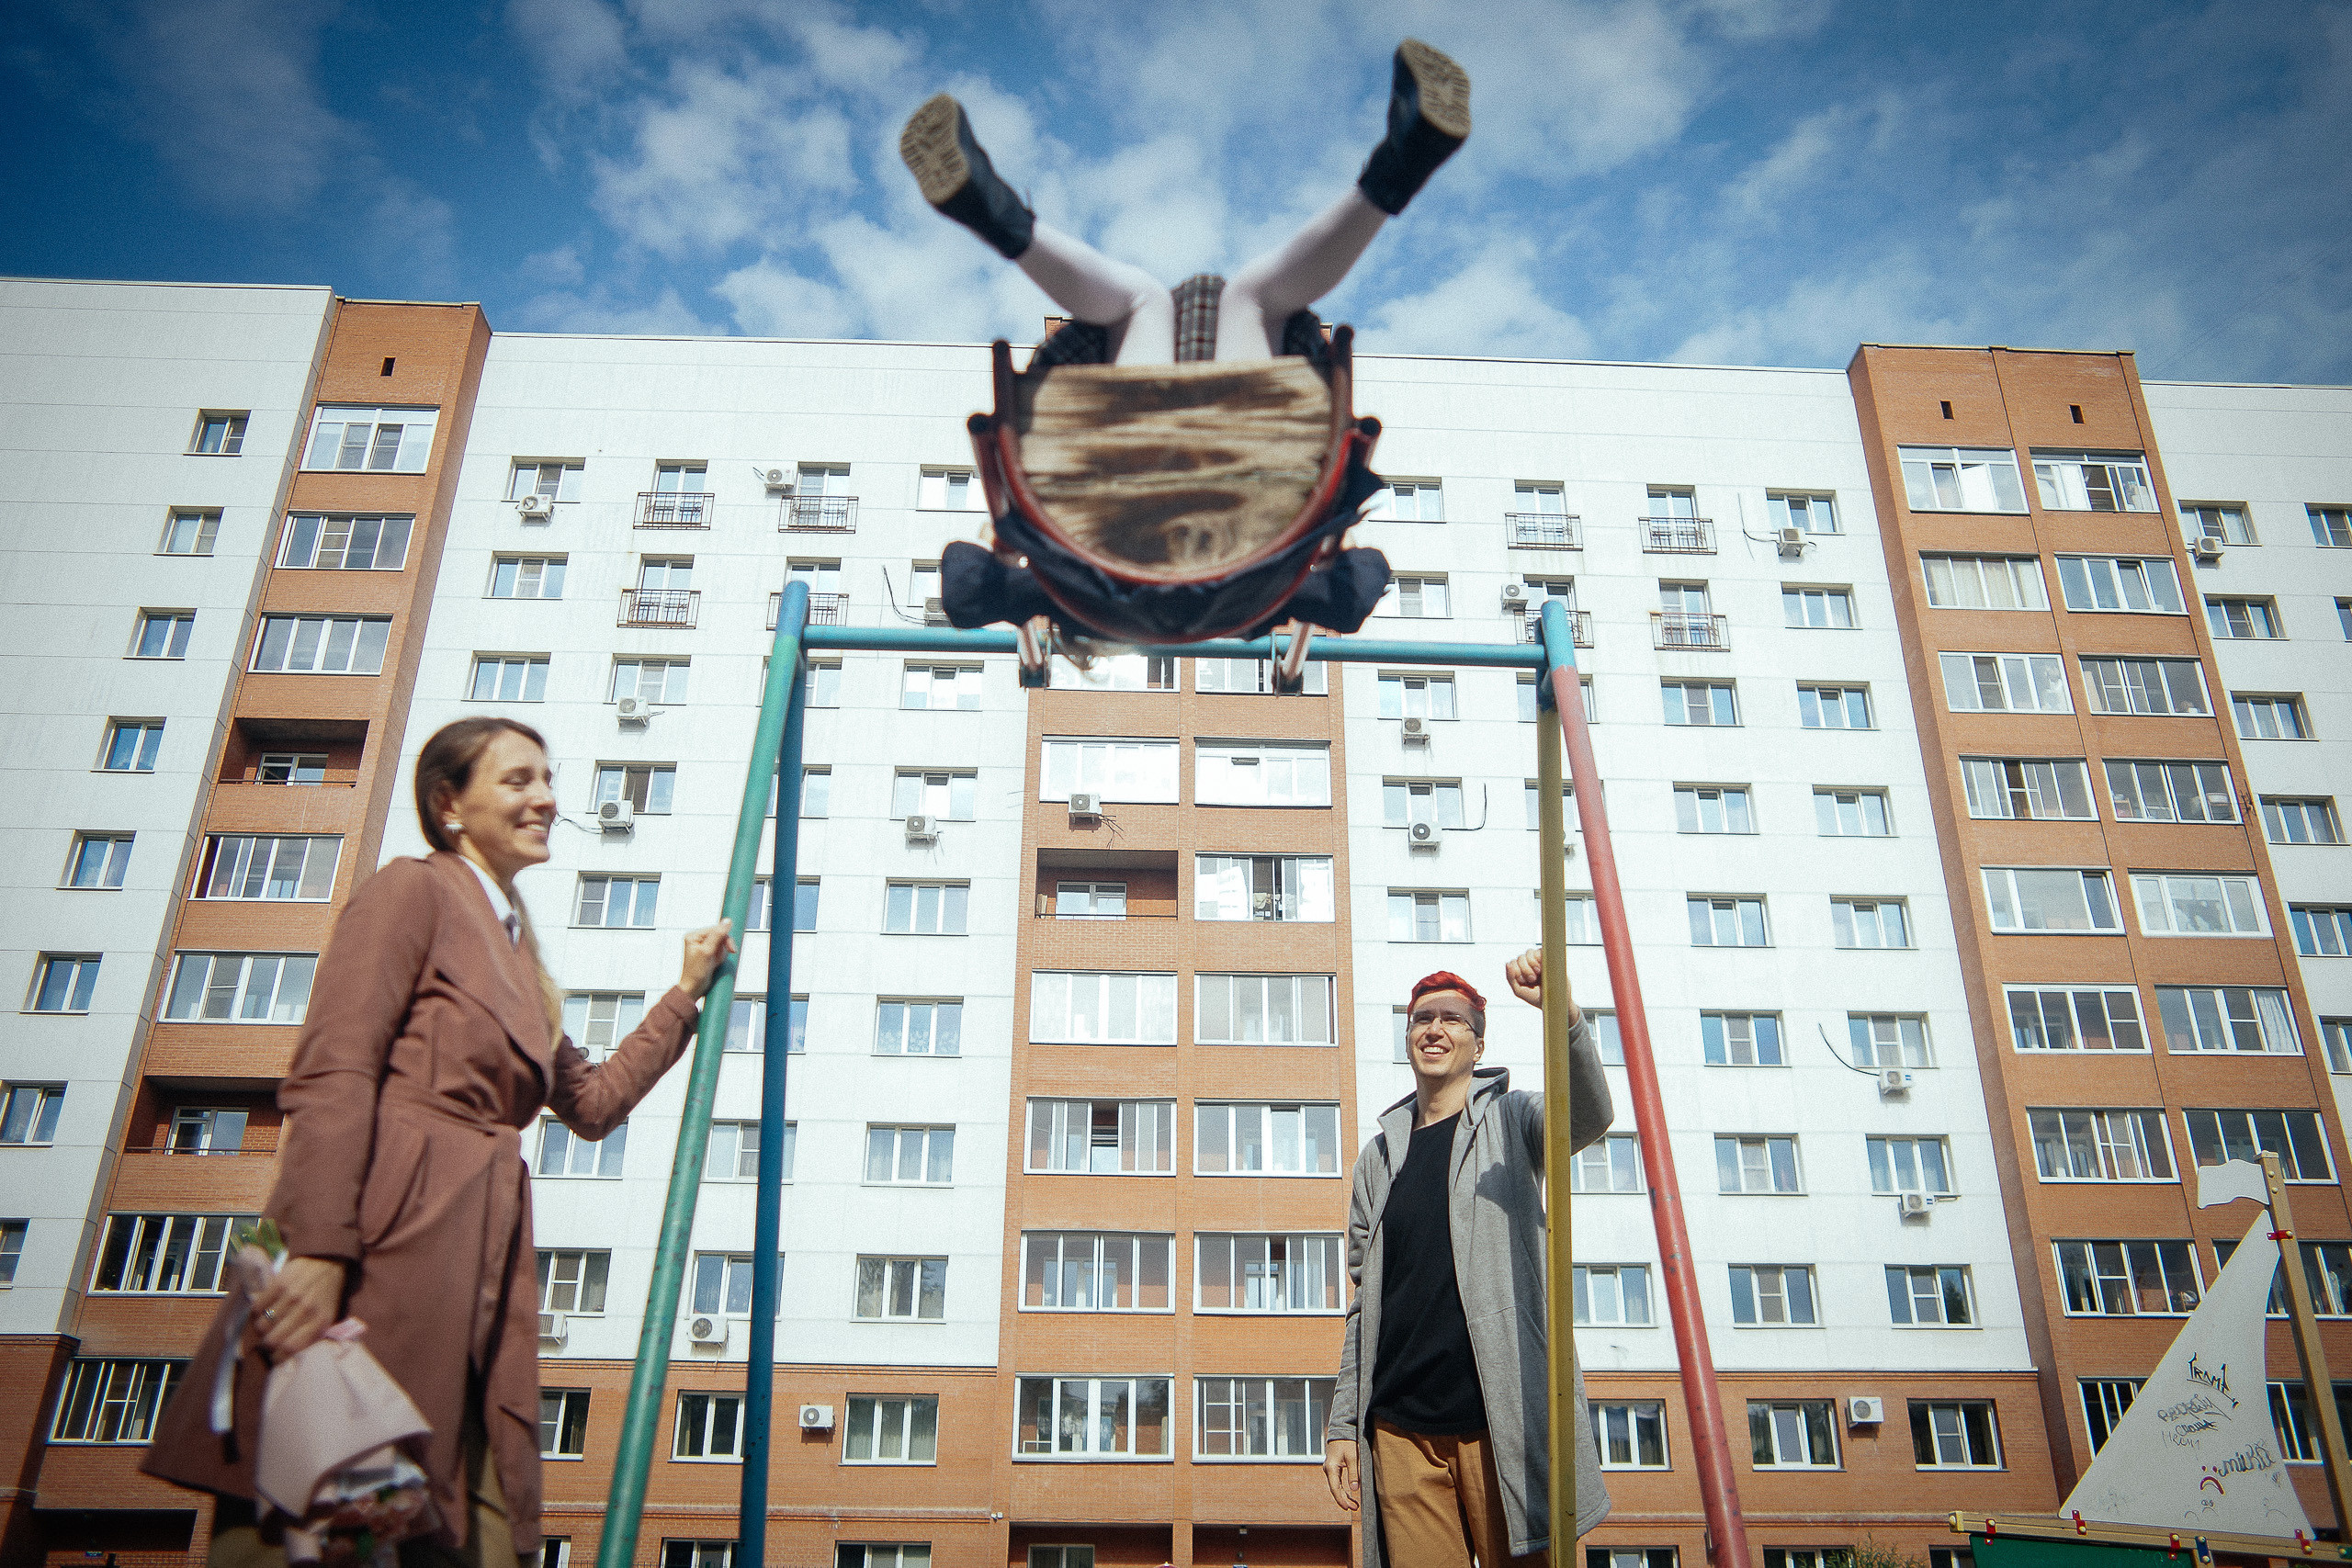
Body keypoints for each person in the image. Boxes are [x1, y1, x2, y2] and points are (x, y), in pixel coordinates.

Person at [145, 716, 737, 1567]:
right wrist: (315, 1247)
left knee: (472, 1509)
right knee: (333, 1487)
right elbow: (336, 1067)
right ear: (448, 803)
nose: (547, 798)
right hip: (388, 1243)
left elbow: (593, 1104)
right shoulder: (412, 892)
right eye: (518, 779)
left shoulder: (517, 955)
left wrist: (684, 992)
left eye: (547, 777)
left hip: (484, 1254)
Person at [899, 39, 1472, 365]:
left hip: (1130, 483)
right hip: (1250, 472)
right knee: (1246, 295)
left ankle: (998, 216)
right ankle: (1394, 172)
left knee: (1144, 299)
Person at [1323, 951, 1614, 1567]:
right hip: (1401, 1432)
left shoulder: (1513, 1121)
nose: (1435, 1028)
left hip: (1501, 1419)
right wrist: (1343, 1424)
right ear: (1408, 1038)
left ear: (1478, 1045)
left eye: (1453, 1019)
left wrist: (1563, 1015)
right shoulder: (1377, 1160)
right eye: (1422, 1017)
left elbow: (1587, 1114)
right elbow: (1362, 1307)